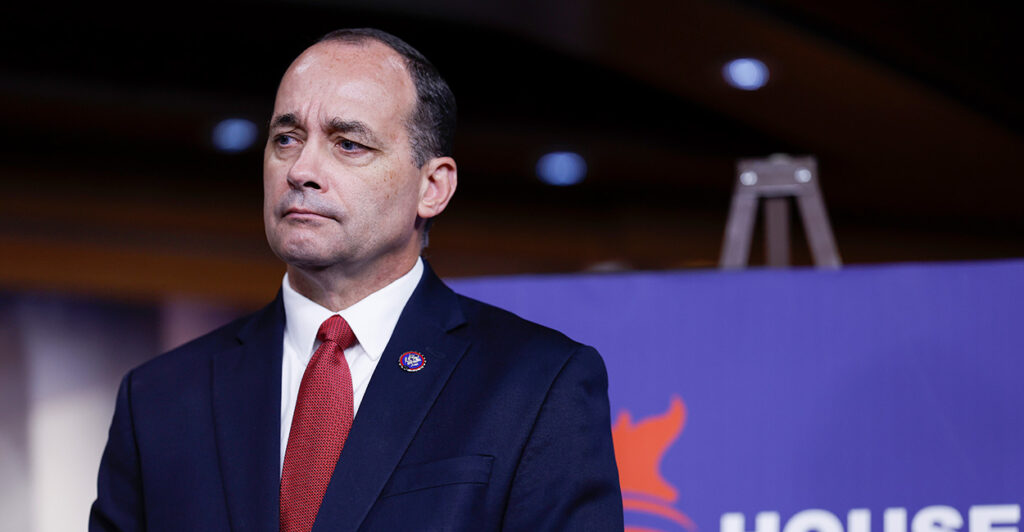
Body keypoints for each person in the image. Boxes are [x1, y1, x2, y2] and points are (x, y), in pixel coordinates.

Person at [90, 28, 622, 532]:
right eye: (286, 138)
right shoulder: (158, 398)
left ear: (432, 187)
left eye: (348, 144)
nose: (301, 169)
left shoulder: (537, 385)